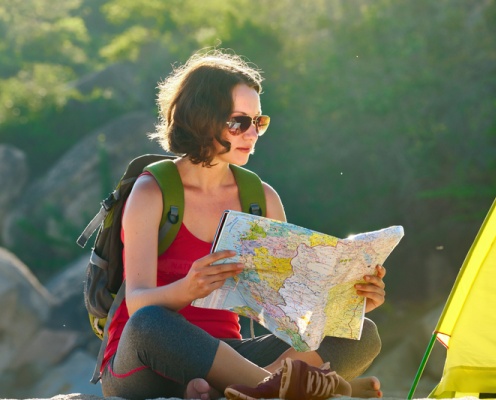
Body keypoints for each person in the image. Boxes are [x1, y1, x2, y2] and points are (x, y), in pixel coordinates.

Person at [99, 49, 386, 400]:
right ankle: (294, 388)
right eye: (239, 122)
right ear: (201, 118)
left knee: (362, 333)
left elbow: (291, 310)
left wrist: (348, 304)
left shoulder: (261, 199)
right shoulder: (151, 193)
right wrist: (189, 288)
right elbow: (138, 304)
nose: (252, 134)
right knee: (150, 323)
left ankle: (249, 389)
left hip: (228, 354)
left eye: (259, 122)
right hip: (145, 358)